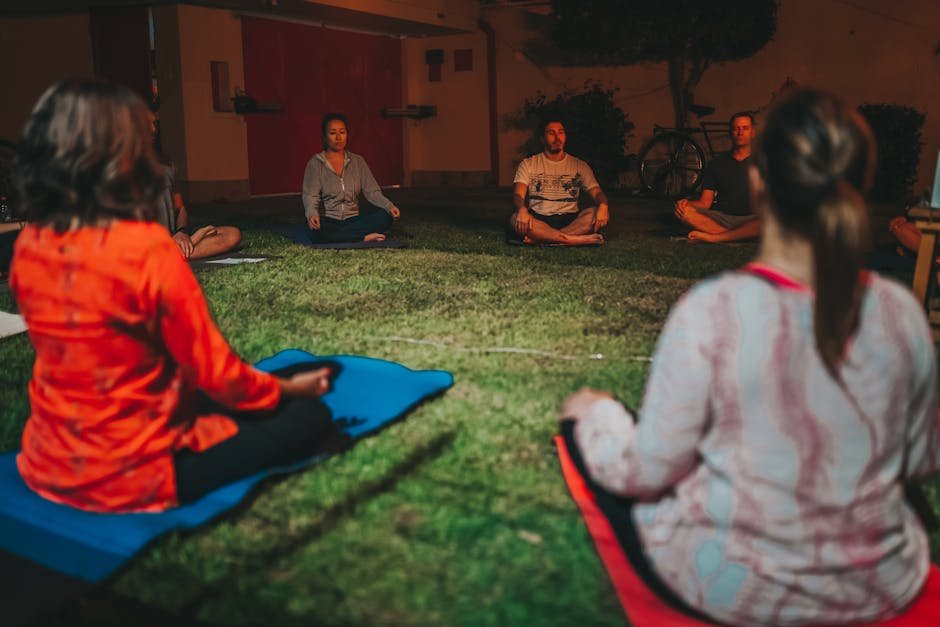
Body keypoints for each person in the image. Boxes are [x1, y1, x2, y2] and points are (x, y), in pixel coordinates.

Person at [561, 89, 939, 625]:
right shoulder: (900, 311)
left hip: (732, 583)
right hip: (879, 584)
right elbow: (922, 460)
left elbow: (646, 472)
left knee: (592, 427)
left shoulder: (713, 310)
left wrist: (596, 416)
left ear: (760, 182)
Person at [9, 79, 341, 513]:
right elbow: (218, 376)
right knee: (309, 416)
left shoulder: (32, 244)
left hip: (49, 459)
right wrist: (285, 390)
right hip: (128, 474)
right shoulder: (145, 249)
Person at [149, 113, 241, 260]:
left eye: (155, 124)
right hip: (143, 245)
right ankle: (168, 253)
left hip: (173, 241)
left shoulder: (167, 165)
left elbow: (180, 208)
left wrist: (182, 232)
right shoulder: (120, 170)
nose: (153, 129)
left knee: (232, 235)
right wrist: (196, 238)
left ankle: (172, 253)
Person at [302, 113, 401, 243]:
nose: (338, 137)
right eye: (332, 133)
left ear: (347, 134)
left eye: (342, 132)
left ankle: (343, 237)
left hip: (354, 219)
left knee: (384, 217)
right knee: (314, 230)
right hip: (330, 221)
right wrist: (312, 214)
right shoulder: (315, 163)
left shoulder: (358, 161)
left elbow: (372, 191)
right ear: (325, 137)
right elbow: (311, 195)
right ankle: (363, 237)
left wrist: (389, 206)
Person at [509, 119, 608, 246]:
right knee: (514, 218)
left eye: (561, 132)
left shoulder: (579, 165)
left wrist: (604, 205)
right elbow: (518, 195)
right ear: (542, 139)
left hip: (570, 219)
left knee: (597, 212)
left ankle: (544, 239)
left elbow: (597, 192)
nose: (557, 137)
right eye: (551, 133)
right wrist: (522, 209)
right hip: (539, 217)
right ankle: (572, 240)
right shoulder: (528, 164)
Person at [674, 112, 761, 243]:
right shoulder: (717, 163)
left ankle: (716, 237)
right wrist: (685, 203)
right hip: (722, 217)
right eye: (736, 128)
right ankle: (738, 236)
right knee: (684, 212)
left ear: (753, 132)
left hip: (752, 218)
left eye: (745, 128)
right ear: (730, 132)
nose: (740, 132)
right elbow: (705, 202)